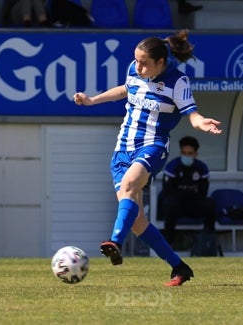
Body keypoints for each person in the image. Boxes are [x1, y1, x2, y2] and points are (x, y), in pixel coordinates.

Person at [73, 29, 222, 286]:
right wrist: (92, 100)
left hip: (153, 146)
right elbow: (125, 89)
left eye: (144, 63)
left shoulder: (178, 81)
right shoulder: (134, 69)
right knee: (138, 221)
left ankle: (114, 243)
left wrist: (201, 122)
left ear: (161, 63)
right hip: (123, 149)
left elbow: (192, 113)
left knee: (130, 185)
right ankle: (180, 267)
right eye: (137, 60)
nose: (138, 66)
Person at [160, 136, 216, 245]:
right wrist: (187, 194)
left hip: (194, 205)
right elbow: (168, 191)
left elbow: (203, 193)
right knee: (170, 203)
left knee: (210, 203)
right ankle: (169, 241)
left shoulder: (201, 168)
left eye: (190, 153)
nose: (187, 156)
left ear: (195, 154)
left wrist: (187, 194)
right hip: (177, 206)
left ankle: (208, 240)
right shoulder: (172, 167)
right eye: (184, 153)